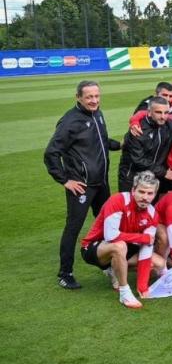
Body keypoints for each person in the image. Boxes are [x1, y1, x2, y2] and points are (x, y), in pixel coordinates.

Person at [45, 80, 122, 290]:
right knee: (74, 228)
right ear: (78, 97)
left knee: (108, 224)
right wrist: (65, 180)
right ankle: (65, 273)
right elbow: (51, 153)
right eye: (89, 97)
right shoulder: (70, 122)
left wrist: (122, 144)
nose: (94, 100)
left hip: (101, 183)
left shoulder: (97, 113)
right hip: (82, 186)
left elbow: (100, 140)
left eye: (97, 96)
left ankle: (106, 263)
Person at [78, 171, 161, 309]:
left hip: (124, 248)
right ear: (133, 190)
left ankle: (113, 269)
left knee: (158, 264)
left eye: (150, 193)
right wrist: (142, 238)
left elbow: (147, 247)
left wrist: (142, 286)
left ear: (155, 194)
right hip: (94, 247)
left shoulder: (152, 213)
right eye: (141, 192)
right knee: (119, 246)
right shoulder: (118, 200)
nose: (145, 197)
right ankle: (124, 292)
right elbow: (111, 236)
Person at [117, 97, 172, 195]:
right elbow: (138, 160)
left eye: (166, 113)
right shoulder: (137, 130)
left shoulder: (168, 125)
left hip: (154, 176)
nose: (163, 117)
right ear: (149, 112)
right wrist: (164, 172)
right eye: (159, 112)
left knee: (150, 207)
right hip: (132, 178)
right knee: (129, 207)